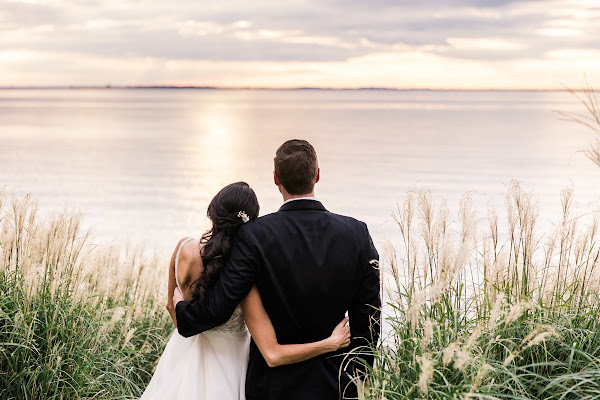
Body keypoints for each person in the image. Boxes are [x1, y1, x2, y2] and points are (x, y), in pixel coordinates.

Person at [175, 140, 381, 400]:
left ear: (275, 179)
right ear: (317, 175)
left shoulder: (254, 236)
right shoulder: (357, 234)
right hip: (336, 384)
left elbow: (218, 307)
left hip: (272, 388)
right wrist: (356, 384)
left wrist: (181, 310)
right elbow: (369, 324)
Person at [140, 182, 352, 400]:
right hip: (229, 370)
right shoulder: (243, 280)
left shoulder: (183, 248)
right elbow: (272, 353)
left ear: (213, 211)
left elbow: (171, 307)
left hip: (180, 360)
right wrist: (330, 343)